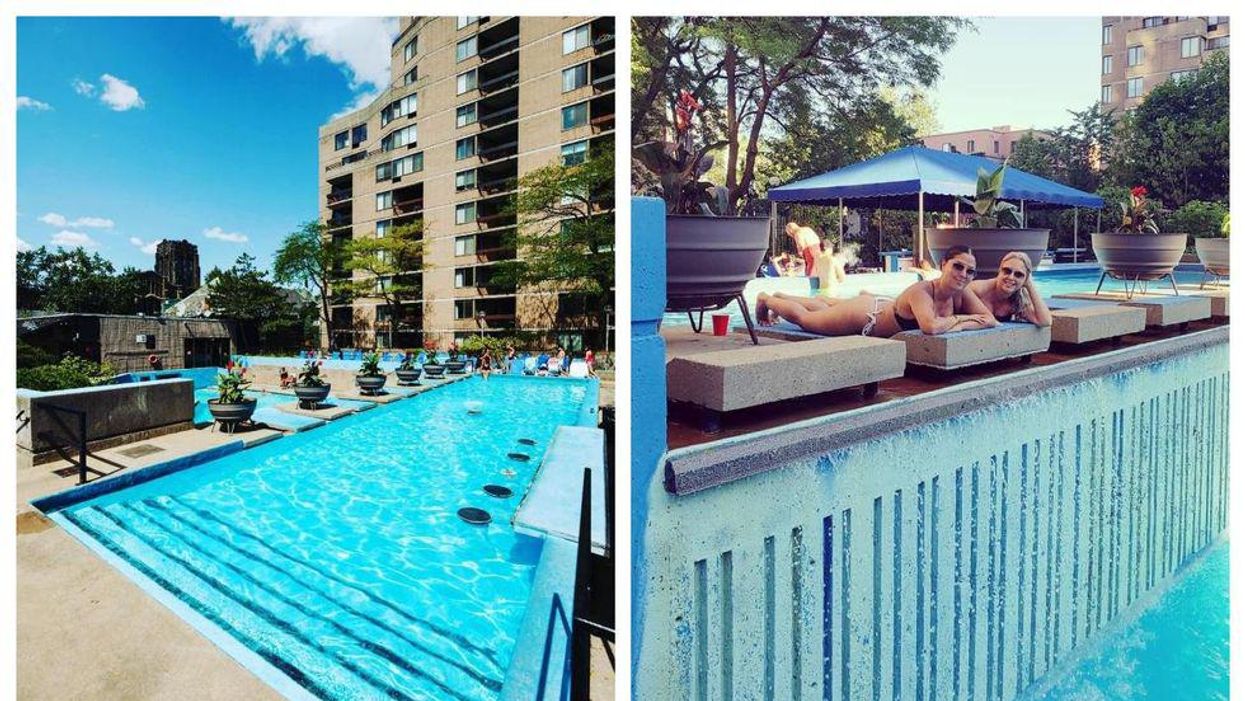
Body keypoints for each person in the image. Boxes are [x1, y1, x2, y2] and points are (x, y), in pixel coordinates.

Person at [755, 245, 999, 337]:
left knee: (827, 306)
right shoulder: (922, 291)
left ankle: (785, 296)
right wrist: (960, 318)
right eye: (958, 266)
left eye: (970, 272)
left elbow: (990, 320)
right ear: (943, 265)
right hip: (864, 317)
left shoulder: (961, 291)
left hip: (881, 305)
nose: (963, 275)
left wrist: (963, 320)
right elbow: (931, 327)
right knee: (806, 319)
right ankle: (767, 299)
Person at [968, 251, 1052, 327]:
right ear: (999, 271)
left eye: (1018, 275)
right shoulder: (978, 289)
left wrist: (1030, 286)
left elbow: (1045, 321)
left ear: (1025, 280)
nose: (1011, 277)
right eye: (1007, 271)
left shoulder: (1017, 300)